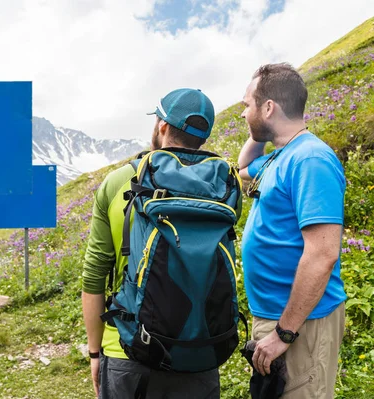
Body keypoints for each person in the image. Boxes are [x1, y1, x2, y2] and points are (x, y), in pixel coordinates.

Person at [82, 88, 222, 399]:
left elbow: (94, 277)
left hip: (127, 349)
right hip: (200, 349)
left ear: (161, 126)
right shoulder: (221, 186)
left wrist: (95, 354)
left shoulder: (119, 181)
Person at [238, 63, 346, 399]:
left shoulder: (310, 159)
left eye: (247, 105)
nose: (243, 114)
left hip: (300, 324)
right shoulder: (280, 157)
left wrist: (284, 334)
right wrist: (258, 132)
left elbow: (323, 254)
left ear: (268, 107)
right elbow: (243, 169)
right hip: (280, 316)